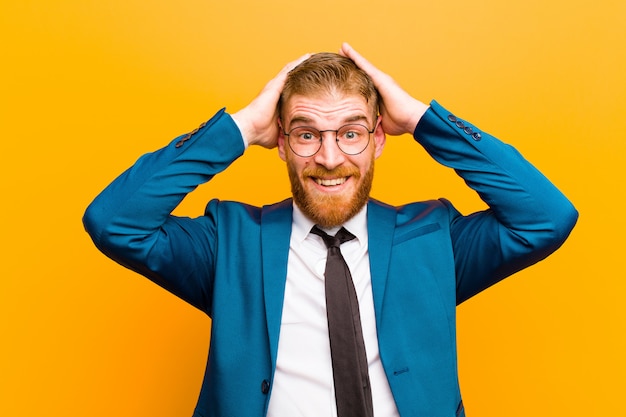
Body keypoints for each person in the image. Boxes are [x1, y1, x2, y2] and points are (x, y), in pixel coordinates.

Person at [83, 43, 578, 417]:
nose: (329, 157)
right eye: (306, 134)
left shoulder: (432, 239)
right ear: (280, 141)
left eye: (350, 132)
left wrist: (423, 119)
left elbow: (546, 218)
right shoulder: (229, 242)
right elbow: (113, 222)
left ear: (378, 139)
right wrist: (237, 128)